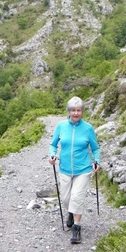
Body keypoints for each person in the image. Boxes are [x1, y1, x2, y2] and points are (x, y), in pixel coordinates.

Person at [49, 96, 101, 244]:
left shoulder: (88, 128)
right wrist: (52, 155)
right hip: (64, 168)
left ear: (82, 111)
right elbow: (53, 145)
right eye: (73, 110)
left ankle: (76, 228)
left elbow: (95, 148)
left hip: (83, 169)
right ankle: (71, 212)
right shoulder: (61, 126)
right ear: (69, 111)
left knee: (77, 197)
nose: (76, 113)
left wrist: (97, 161)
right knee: (66, 199)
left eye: (78, 110)